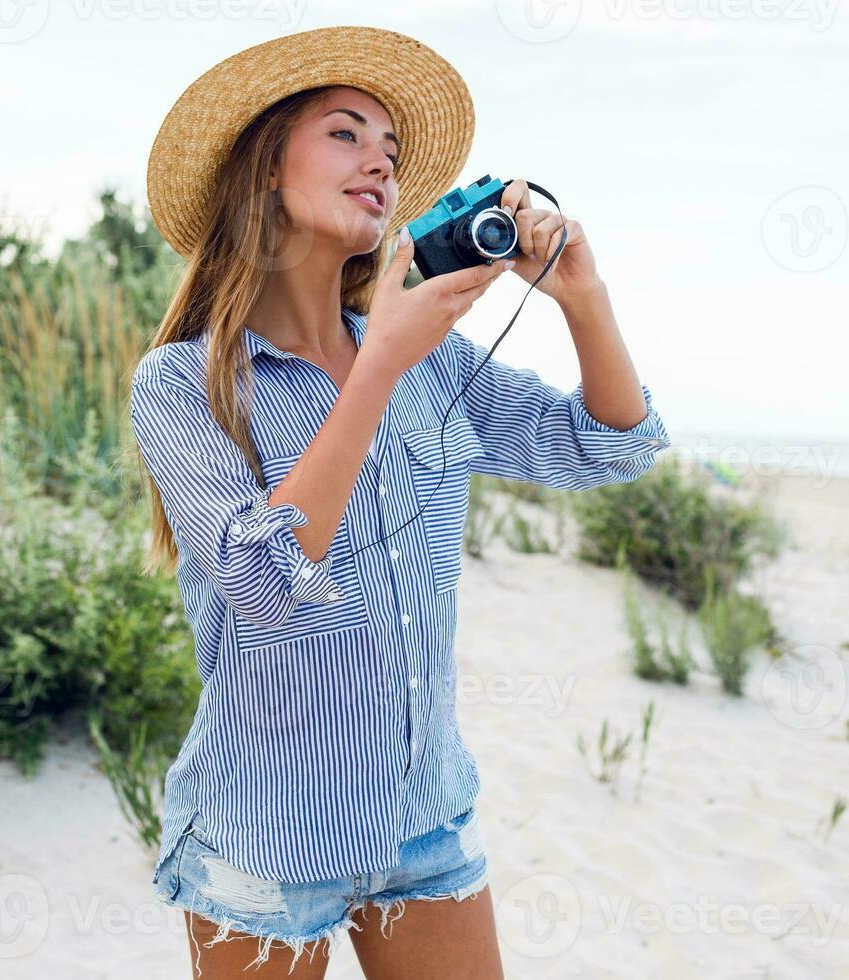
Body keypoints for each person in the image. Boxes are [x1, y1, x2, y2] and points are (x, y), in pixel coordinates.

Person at [130, 25, 671, 979]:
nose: (381, 159)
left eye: (389, 146)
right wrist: (377, 361)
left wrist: (583, 299)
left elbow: (610, 447)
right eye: (346, 133)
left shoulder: (438, 366)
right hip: (262, 835)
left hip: (425, 816)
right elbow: (263, 585)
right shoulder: (184, 384)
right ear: (264, 174)